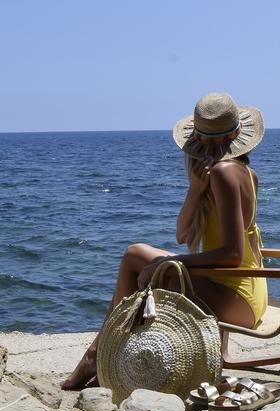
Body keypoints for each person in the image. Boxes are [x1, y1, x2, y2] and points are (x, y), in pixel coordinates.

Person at [61, 92, 268, 390]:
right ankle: (101, 355)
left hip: (237, 295)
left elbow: (233, 255)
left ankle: (99, 355)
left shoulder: (224, 173)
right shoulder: (245, 173)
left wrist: (170, 262)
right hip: (244, 291)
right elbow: (183, 234)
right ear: (237, 134)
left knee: (148, 265)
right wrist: (196, 191)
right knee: (138, 256)